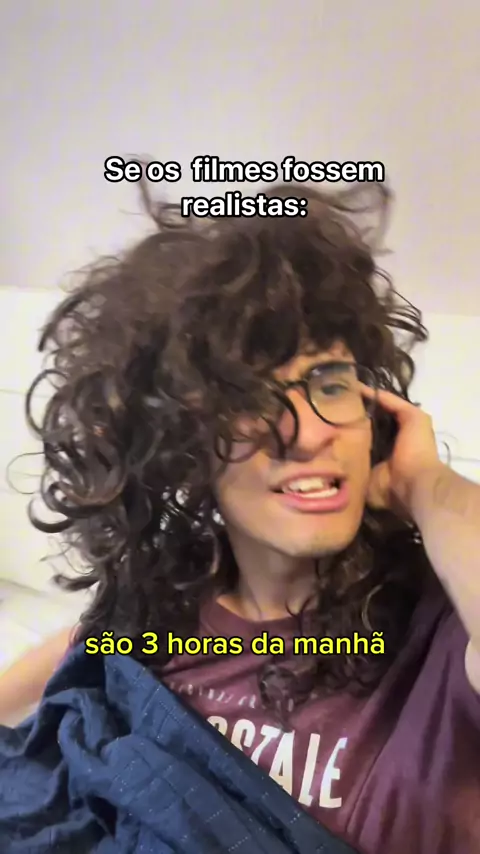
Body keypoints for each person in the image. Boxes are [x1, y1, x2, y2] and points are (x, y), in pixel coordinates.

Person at [1, 181, 479, 853]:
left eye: (330, 383)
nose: (309, 431)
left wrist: (426, 482)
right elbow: (87, 642)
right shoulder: (162, 601)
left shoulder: (441, 626)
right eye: (248, 397)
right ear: (182, 447)